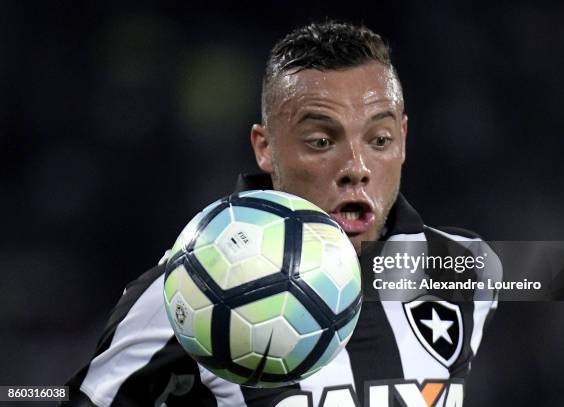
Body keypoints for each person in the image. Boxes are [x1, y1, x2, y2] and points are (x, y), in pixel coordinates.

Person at [64, 21, 500, 407]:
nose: (356, 168)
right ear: (265, 147)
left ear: (403, 139)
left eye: (379, 140)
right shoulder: (189, 291)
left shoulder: (468, 266)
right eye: (320, 141)